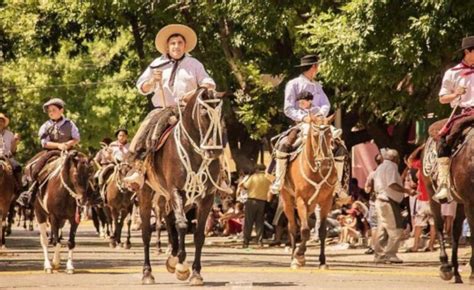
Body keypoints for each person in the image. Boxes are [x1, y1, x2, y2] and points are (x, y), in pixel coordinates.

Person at [124, 24, 216, 189]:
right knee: (147, 130)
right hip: (164, 109)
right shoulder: (157, 63)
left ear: (185, 45)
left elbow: (209, 83)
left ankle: (219, 173)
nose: (176, 46)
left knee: (213, 129)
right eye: (173, 43)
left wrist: (195, 93)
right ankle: (137, 169)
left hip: (189, 110)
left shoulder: (194, 64)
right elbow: (141, 87)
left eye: (180, 43)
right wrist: (152, 81)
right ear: (167, 46)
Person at [271, 54, 345, 195]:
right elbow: (288, 108)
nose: (318, 68)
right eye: (318, 65)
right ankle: (279, 180)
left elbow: (325, 104)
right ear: (314, 67)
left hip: (319, 124)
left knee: (340, 148)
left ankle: (338, 184)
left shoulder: (317, 85)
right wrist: (304, 117)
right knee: (283, 144)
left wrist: (319, 116)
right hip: (302, 123)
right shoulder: (293, 84)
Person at [435, 36, 474, 203]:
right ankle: (443, 182)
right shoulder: (453, 73)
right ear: (467, 52)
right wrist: (456, 93)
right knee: (445, 139)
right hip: (465, 113)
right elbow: (442, 98)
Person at [25, 98, 80, 202]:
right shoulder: (45, 126)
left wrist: (68, 144)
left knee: (84, 165)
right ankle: (30, 193)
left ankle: (92, 194)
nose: (51, 113)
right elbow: (44, 143)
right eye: (49, 111)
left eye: (53, 110)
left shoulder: (70, 123)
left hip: (69, 151)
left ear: (61, 110)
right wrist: (59, 145)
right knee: (35, 168)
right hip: (51, 152)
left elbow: (76, 138)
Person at [373, 149, 417, 264]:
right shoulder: (391, 166)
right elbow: (392, 184)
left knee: (382, 230)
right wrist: (407, 190)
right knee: (396, 229)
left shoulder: (380, 167)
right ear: (394, 159)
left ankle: (379, 255)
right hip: (388, 201)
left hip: (380, 200)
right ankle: (390, 254)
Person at [240, 164, 271, 248]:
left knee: (248, 222)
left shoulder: (253, 177)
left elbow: (243, 186)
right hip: (262, 202)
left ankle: (246, 242)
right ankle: (259, 241)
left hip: (251, 201)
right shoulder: (268, 178)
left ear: (257, 169)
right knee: (259, 222)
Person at [364, 153, 383, 254]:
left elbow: (366, 189)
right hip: (384, 201)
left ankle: (373, 246)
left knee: (374, 226)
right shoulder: (387, 173)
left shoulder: (372, 174)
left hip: (373, 202)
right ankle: (379, 246)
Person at [0, 113, 22, 190]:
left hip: (7, 157)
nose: (0, 123)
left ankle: (20, 188)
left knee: (17, 167)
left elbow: (13, 150)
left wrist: (15, 141)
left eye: (1, 121)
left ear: (4, 123)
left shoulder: (10, 134)